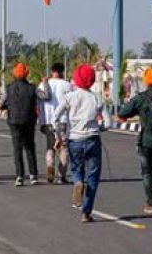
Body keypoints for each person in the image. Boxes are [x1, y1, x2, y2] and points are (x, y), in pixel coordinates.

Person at [54, 64, 111, 223]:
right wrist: (98, 128)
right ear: (92, 80)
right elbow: (108, 123)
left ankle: (78, 182)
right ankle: (86, 212)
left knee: (77, 169)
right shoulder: (97, 98)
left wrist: (59, 135)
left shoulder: (70, 97)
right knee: (93, 176)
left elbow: (55, 118)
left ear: (76, 79)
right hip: (93, 140)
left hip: (74, 140)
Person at [119, 67, 152, 214]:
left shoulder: (140, 98)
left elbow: (122, 113)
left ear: (145, 80)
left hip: (146, 142)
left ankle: (150, 204)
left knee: (147, 172)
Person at [0, 63, 40, 187]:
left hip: (14, 121)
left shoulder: (9, 88)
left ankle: (19, 176)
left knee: (17, 149)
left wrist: (8, 106)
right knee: (30, 147)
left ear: (14, 74)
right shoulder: (33, 88)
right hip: (29, 121)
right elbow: (38, 101)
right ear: (26, 73)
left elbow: (1, 104)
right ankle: (33, 175)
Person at [37, 62, 72, 184]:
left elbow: (40, 104)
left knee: (50, 146)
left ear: (52, 71)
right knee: (63, 148)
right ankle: (61, 176)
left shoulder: (43, 84)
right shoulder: (68, 86)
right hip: (62, 121)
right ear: (62, 72)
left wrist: (41, 122)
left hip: (48, 122)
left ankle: (50, 164)